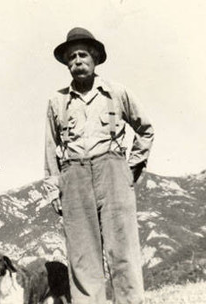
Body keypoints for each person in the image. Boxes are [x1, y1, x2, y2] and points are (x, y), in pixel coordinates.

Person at [44, 27, 154, 304]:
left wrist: (130, 168)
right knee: (82, 256)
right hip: (74, 177)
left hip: (113, 172)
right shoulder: (57, 102)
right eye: (71, 57)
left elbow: (146, 130)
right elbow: (49, 150)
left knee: (123, 251)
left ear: (94, 58)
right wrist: (53, 189)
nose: (77, 61)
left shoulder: (116, 93)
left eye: (82, 55)